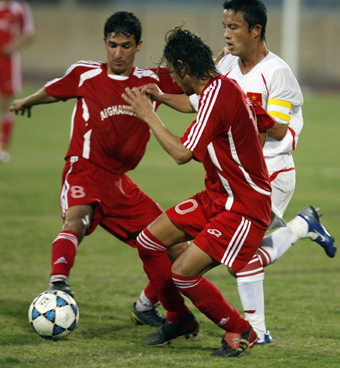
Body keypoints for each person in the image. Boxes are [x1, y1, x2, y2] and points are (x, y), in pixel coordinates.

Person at [140, 0, 336, 344]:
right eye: (224, 27)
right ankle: (169, 309)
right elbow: (200, 100)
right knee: (182, 253)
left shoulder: (277, 73)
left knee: (237, 261)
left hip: (268, 173)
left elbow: (273, 130)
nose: (226, 35)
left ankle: (254, 329)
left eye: (233, 28)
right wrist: (162, 97)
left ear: (255, 30)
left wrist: (235, 116)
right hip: (226, 182)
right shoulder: (226, 68)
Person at [9, 11, 189, 329]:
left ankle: (145, 306)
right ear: (104, 43)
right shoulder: (85, 74)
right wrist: (28, 101)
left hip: (120, 185)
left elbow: (198, 78)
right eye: (112, 45)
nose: (118, 53)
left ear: (138, 46)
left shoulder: (152, 81)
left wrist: (227, 56)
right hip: (85, 169)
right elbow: (54, 90)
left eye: (125, 46)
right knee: (77, 219)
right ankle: (58, 284)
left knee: (177, 246)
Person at [121, 26, 276, 358]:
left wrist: (148, 114)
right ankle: (179, 318)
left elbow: (181, 154)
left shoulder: (219, 96)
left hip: (244, 206)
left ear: (183, 67)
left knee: (183, 273)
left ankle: (239, 329)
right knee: (148, 242)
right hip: (217, 197)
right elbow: (194, 103)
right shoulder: (217, 90)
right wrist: (160, 96)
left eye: (173, 73)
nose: (172, 80)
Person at [0, 0, 35, 163]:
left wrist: (12, 47)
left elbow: (30, 33)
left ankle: (3, 147)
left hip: (7, 61)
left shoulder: (19, 8)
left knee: (5, 103)